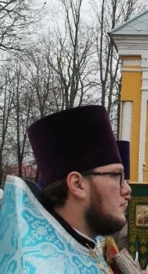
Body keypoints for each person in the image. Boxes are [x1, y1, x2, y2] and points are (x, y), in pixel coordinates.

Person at [0, 105, 140, 273]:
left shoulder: (87, 247)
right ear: (77, 184)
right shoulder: (39, 268)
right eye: (118, 176)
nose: (127, 190)